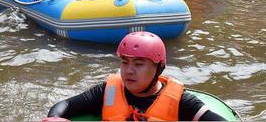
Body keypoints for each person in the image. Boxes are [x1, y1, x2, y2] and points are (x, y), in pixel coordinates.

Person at [46, 32, 226, 121]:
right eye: (125, 62)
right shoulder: (107, 92)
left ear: (159, 69)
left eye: (139, 64)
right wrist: (54, 117)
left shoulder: (180, 101)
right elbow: (66, 105)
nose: (129, 70)